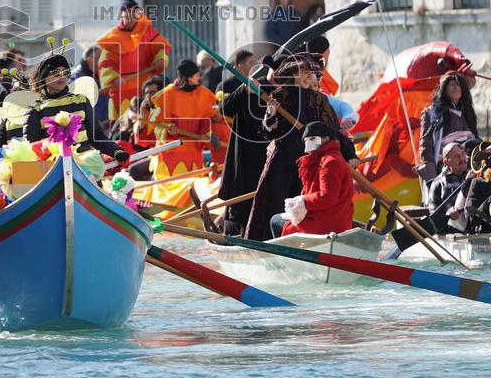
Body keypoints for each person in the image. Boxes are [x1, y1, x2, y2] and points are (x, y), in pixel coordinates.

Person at [245, 54, 356, 241]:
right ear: (293, 74)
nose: (309, 77)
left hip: (310, 161)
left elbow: (334, 132)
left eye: (311, 73)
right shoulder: (279, 95)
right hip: (282, 159)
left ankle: (305, 239)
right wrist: (271, 114)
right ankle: (265, 242)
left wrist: (351, 154)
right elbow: (267, 133)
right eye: (305, 72)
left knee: (306, 202)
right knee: (273, 201)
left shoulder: (320, 100)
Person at [23, 40, 127, 163]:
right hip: (52, 172)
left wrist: (116, 151)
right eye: (55, 73)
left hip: (85, 170)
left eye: (65, 72)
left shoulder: (81, 101)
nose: (61, 76)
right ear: (44, 77)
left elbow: (96, 136)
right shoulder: (35, 109)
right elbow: (31, 149)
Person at [96, 0, 170, 123]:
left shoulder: (147, 31)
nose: (130, 19)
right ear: (121, 15)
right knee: (123, 127)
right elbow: (106, 63)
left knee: (148, 123)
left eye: (133, 15)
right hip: (121, 89)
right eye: (127, 16)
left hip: (145, 87)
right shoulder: (113, 37)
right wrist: (113, 77)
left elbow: (160, 48)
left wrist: (160, 59)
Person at [276, 122, 356, 238]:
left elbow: (327, 197)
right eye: (307, 140)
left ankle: (284, 255)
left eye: (313, 138)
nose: (309, 143)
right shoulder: (322, 159)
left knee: (275, 221)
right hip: (330, 216)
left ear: (326, 138)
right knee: (281, 218)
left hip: (328, 221)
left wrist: (302, 201)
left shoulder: (329, 162)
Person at [217, 66, 269, 236]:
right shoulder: (248, 91)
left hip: (269, 160)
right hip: (244, 159)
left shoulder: (286, 95)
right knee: (241, 208)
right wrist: (243, 89)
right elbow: (225, 109)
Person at [145, 60, 218, 179]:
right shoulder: (167, 95)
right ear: (189, 78)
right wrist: (168, 130)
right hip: (171, 154)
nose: (200, 77)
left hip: (193, 153)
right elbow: (156, 125)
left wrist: (207, 133)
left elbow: (206, 117)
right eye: (197, 75)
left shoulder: (202, 93)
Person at [416, 73, 478, 201]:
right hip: (445, 168)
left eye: (458, 85)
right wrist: (431, 175)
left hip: (467, 166)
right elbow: (425, 145)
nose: (456, 87)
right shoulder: (432, 113)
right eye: (452, 84)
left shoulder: (467, 112)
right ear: (444, 89)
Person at [427, 142, 469, 213]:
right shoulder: (438, 183)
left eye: (463, 154)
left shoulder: (475, 174)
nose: (462, 159)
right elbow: (434, 214)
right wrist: (448, 215)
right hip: (450, 223)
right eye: (456, 156)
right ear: (446, 162)